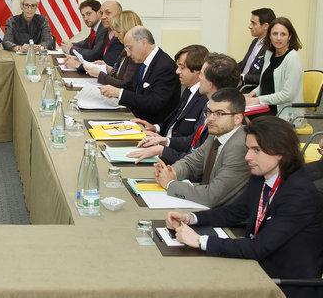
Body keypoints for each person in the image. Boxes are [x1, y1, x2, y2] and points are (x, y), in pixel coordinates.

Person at [168, 116, 323, 298]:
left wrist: (200, 240)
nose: (247, 157)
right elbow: (235, 211)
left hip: (281, 284)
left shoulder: (300, 194)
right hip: (254, 265)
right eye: (248, 149)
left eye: (256, 150)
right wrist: (191, 218)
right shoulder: (261, 175)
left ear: (281, 151)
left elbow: (259, 247)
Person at [154, 87, 251, 207]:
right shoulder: (216, 134)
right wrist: (171, 172)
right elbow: (191, 162)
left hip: (225, 213)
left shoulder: (241, 146)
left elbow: (212, 196)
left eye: (219, 113)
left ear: (237, 119)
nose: (210, 119)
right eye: (209, 112)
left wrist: (170, 184)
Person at [127, 44, 209, 163]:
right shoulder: (188, 90)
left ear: (198, 71)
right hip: (161, 145)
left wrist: (164, 143)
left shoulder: (205, 100)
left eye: (182, 67)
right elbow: (173, 120)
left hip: (176, 157)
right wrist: (155, 128)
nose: (177, 71)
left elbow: (192, 141)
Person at [99, 26, 181, 125]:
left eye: (130, 48)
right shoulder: (143, 60)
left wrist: (119, 93)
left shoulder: (165, 66)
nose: (128, 54)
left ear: (144, 43)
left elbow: (154, 103)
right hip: (135, 117)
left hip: (152, 125)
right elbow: (130, 86)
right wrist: (112, 91)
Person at [246, 17, 304, 122]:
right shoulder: (269, 53)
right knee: (237, 112)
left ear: (289, 36)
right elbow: (266, 82)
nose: (278, 38)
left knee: (245, 120)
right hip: (267, 106)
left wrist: (257, 100)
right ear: (269, 35)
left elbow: (287, 95)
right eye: (275, 34)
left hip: (283, 111)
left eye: (283, 34)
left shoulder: (293, 59)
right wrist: (252, 93)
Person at [81, 10, 142, 88]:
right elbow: (120, 73)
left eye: (118, 32)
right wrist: (107, 68)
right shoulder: (125, 49)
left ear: (127, 30)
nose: (115, 35)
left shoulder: (135, 53)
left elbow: (125, 84)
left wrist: (100, 75)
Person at [64, 0, 123, 68]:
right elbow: (100, 60)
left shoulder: (119, 36)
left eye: (108, 13)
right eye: (101, 13)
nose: (103, 17)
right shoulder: (107, 32)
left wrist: (78, 64)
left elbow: (103, 63)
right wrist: (79, 59)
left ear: (120, 15)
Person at [238, 8, 275, 90]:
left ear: (265, 26)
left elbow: (266, 77)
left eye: (253, 23)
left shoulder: (272, 47)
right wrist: (229, 68)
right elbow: (246, 63)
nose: (250, 26)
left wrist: (243, 77)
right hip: (240, 84)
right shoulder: (255, 41)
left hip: (251, 89)